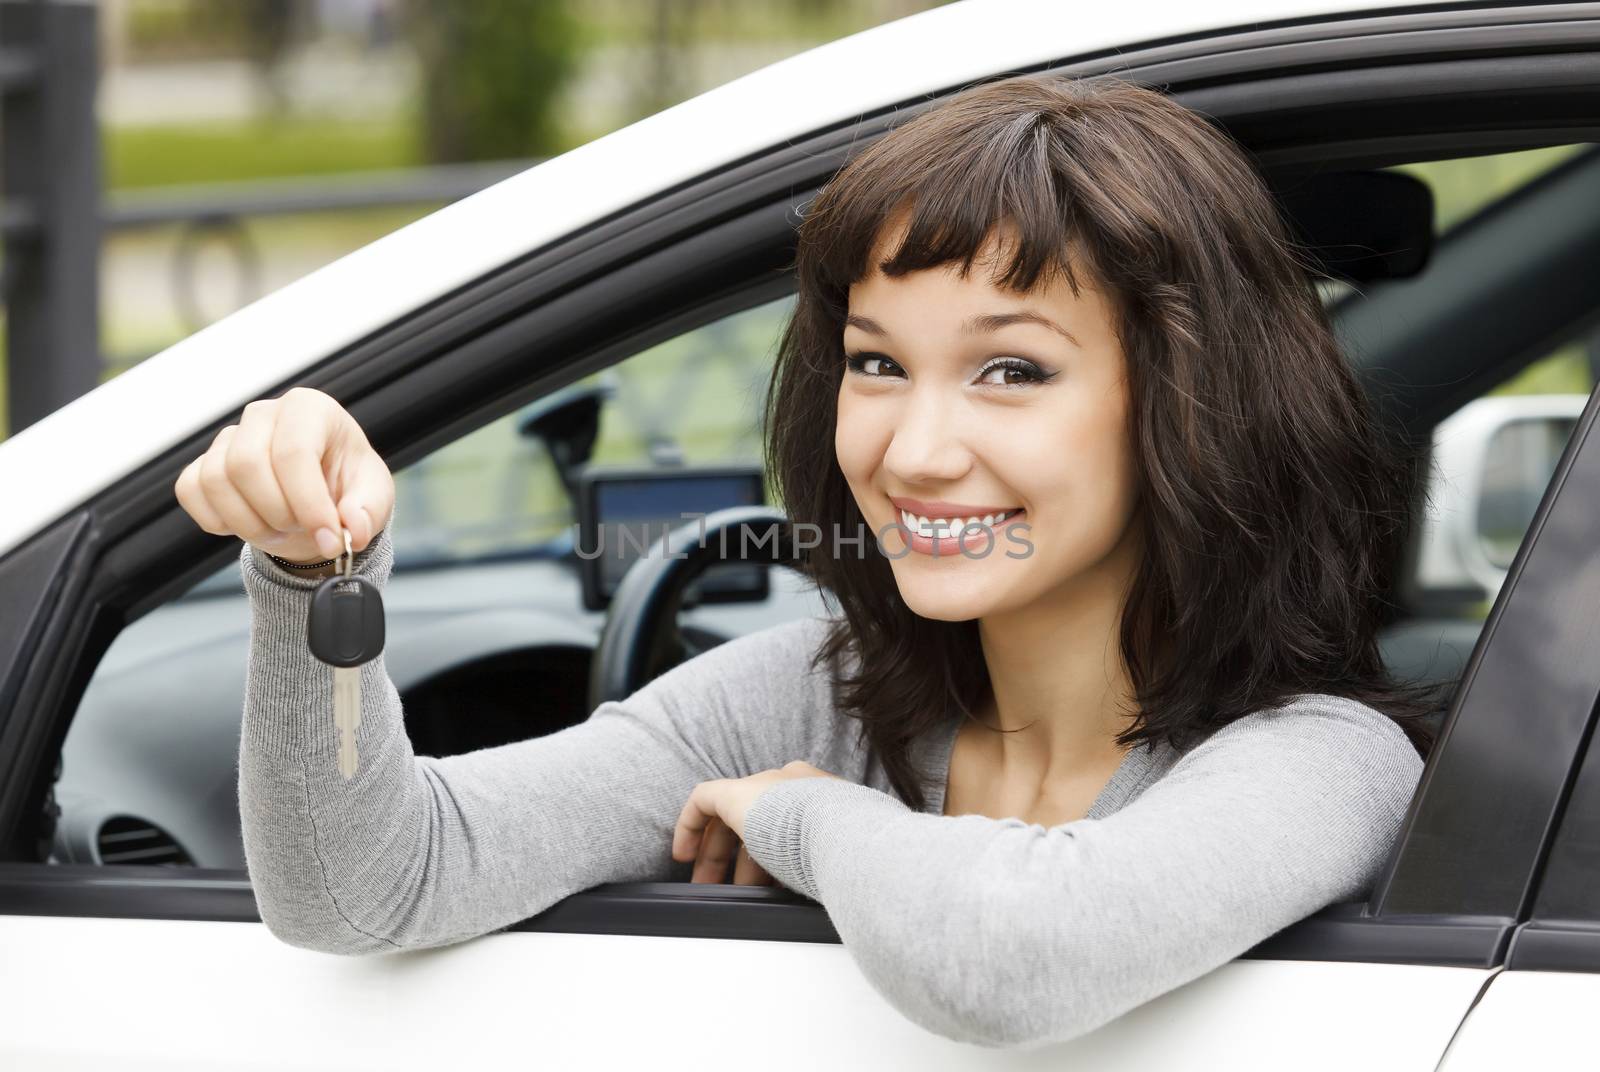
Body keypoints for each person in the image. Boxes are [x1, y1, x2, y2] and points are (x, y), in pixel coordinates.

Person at [173, 74, 1438, 1050]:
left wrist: (796, 816)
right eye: (877, 361)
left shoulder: (1323, 757)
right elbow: (366, 884)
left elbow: (1018, 955)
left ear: (1187, 400)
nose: (915, 448)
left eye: (1011, 370)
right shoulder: (801, 698)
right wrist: (309, 571)